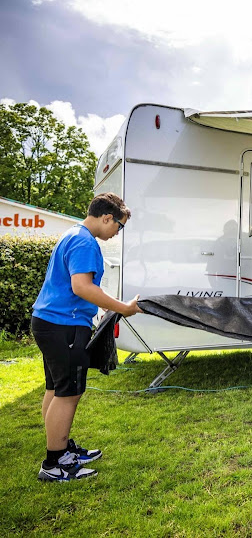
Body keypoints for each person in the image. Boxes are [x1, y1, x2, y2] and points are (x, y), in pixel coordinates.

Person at [31, 193, 142, 482]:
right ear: (107, 217)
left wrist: (109, 305)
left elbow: (81, 287)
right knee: (70, 392)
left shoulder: (73, 234)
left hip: (49, 322)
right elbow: (81, 287)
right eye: (119, 225)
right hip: (63, 325)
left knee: (56, 388)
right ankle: (54, 463)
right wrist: (122, 308)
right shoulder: (85, 241)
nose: (118, 232)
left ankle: (61, 449)